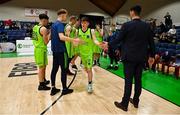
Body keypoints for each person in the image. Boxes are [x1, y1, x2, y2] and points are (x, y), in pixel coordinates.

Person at [101, 5, 155, 111]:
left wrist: (108, 44)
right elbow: (152, 43)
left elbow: (118, 39)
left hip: (129, 57)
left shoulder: (127, 25)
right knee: (138, 80)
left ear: (132, 12)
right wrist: (152, 56)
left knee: (128, 81)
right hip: (141, 58)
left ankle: (124, 104)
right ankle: (135, 101)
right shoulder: (146, 26)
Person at [50, 9, 80, 96]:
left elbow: (51, 37)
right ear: (62, 15)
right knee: (64, 70)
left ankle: (53, 88)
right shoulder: (59, 25)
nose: (66, 17)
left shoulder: (53, 24)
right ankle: (64, 89)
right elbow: (61, 37)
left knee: (54, 69)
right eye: (65, 16)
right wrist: (74, 40)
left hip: (55, 50)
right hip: (61, 51)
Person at [78, 17, 102, 93]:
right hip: (82, 54)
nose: (83, 24)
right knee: (86, 69)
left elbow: (94, 39)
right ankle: (90, 78)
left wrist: (99, 44)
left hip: (89, 53)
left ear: (88, 24)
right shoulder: (77, 31)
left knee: (89, 69)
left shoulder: (91, 31)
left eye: (85, 23)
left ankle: (90, 85)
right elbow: (75, 41)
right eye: (82, 22)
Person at [32, 14, 51, 91]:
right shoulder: (43, 29)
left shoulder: (35, 27)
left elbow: (34, 38)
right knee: (41, 68)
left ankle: (43, 80)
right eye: (47, 21)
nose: (47, 23)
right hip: (41, 50)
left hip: (37, 49)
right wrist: (50, 35)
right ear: (44, 20)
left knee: (43, 66)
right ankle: (41, 85)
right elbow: (46, 42)